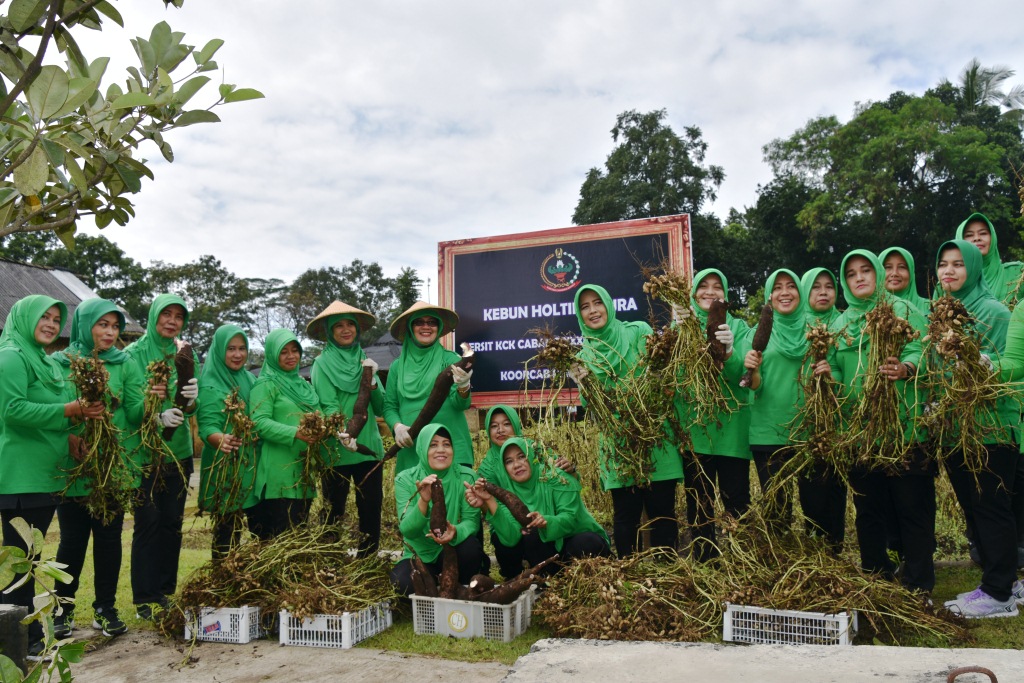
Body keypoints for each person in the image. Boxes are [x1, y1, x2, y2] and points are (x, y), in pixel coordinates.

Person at [813, 250, 935, 595]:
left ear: (878, 275)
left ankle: (918, 583)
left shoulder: (903, 311)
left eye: (866, 271)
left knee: (912, 506)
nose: (859, 278)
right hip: (860, 429)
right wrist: (829, 375)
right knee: (868, 508)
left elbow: (920, 350)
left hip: (905, 427)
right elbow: (835, 364)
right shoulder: (839, 323)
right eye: (851, 274)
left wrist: (906, 368)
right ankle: (876, 577)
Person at [0, 295, 104, 656]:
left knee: (29, 561)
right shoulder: (12, 356)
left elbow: (52, 413)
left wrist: (73, 430)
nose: (50, 323)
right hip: (20, 477)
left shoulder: (44, 361)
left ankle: (26, 639)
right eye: (43, 316)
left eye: (56, 318)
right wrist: (68, 409)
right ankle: (17, 643)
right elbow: (12, 410)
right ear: (25, 317)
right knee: (19, 564)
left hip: (45, 475)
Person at [935, 240, 1021, 618]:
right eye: (943, 264)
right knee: (973, 508)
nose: (949, 271)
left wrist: (981, 362)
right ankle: (999, 581)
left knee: (991, 507)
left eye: (958, 264)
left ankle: (999, 594)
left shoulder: (995, 311)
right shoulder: (941, 315)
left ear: (974, 267)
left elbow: (1012, 365)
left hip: (991, 428)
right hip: (955, 428)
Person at [52, 299, 142, 638]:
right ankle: (62, 609)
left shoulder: (125, 363)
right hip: (73, 465)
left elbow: (133, 411)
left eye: (115, 326)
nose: (109, 332)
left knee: (109, 538)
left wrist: (154, 403)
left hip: (111, 466)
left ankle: (105, 607)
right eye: (102, 324)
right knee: (72, 539)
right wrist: (69, 437)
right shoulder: (60, 363)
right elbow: (52, 407)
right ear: (85, 325)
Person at [572, 284, 682, 557]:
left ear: (609, 304)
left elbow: (658, 370)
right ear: (579, 314)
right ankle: (628, 578)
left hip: (655, 436)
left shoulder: (638, 331)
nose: (593, 311)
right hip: (619, 444)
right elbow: (591, 406)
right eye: (585, 307)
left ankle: (667, 580)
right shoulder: (584, 356)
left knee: (662, 515)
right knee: (625, 518)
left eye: (597, 303)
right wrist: (584, 386)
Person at [124, 294, 200, 620]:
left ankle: (166, 592)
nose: (171, 321)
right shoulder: (133, 355)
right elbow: (129, 409)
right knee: (148, 523)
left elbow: (190, 405)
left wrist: (192, 400)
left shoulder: (181, 353)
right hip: (145, 454)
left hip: (179, 453)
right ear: (154, 315)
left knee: (171, 524)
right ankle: (145, 596)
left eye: (178, 316)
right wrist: (153, 414)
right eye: (166, 314)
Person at [957, 213, 1024, 568]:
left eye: (983, 234)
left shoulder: (1012, 279)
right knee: (983, 495)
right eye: (969, 235)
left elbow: (1010, 356)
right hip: (969, 410)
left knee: (1005, 488)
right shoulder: (947, 295)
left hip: (1005, 398)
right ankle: (993, 560)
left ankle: (1006, 570)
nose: (978, 239)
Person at [677, 269, 750, 562]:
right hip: (696, 431)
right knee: (700, 507)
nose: (710, 292)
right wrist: (682, 337)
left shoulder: (740, 327)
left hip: (732, 429)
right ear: (694, 294)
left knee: (738, 504)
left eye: (717, 286)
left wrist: (729, 351)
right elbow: (676, 379)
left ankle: (742, 563)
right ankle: (707, 564)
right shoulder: (681, 327)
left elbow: (744, 376)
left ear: (726, 294)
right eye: (703, 286)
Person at [465, 438, 610, 574]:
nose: (516, 465)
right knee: (531, 537)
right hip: (551, 551)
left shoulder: (556, 476)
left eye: (522, 456)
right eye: (509, 461)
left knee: (584, 543)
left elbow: (570, 519)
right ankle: (551, 580)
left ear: (533, 456)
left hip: (574, 537)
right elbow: (511, 538)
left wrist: (546, 521)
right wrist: (489, 501)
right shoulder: (508, 491)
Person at [307, 302, 384, 555]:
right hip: (336, 448)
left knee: (371, 507)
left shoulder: (366, 360)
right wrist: (344, 433)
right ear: (329, 332)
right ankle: (331, 560)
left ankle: (368, 560)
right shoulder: (321, 363)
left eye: (350, 323)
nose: (345, 329)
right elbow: (328, 405)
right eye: (338, 325)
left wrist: (372, 382)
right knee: (333, 510)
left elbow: (381, 406)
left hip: (368, 448)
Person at [744, 269, 813, 534]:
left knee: (815, 504)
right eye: (778, 287)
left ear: (800, 292)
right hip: (769, 431)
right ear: (769, 296)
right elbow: (753, 384)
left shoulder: (815, 330)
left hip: (808, 430)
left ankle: (819, 559)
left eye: (791, 286)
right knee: (777, 507)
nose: (785, 293)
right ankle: (780, 562)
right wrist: (754, 370)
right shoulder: (757, 333)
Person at [477, 405, 577, 578]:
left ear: (516, 425)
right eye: (494, 426)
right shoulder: (487, 466)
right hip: (506, 517)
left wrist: (571, 470)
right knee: (505, 539)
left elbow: (561, 478)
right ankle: (513, 577)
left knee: (541, 534)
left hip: (544, 514)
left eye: (506, 424)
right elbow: (495, 504)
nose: (500, 430)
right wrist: (518, 521)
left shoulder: (535, 449)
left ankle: (550, 575)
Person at [389, 423, 484, 596]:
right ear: (422, 448)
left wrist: (455, 532)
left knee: (470, 548)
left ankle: (458, 588)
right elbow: (407, 530)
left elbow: (472, 523)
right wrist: (423, 501)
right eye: (433, 445)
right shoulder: (405, 479)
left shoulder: (466, 476)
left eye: (446, 444)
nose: (441, 450)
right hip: (420, 555)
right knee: (400, 583)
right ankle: (436, 584)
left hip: (452, 550)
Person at [383, 301, 473, 474]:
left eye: (432, 322)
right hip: (413, 449)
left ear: (438, 328)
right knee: (417, 500)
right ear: (411, 327)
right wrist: (398, 427)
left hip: (450, 449)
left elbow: (461, 404)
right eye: (419, 322)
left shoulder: (450, 359)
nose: (426, 327)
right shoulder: (396, 367)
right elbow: (390, 406)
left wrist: (463, 385)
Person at [197, 324, 260, 559]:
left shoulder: (251, 380)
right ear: (219, 351)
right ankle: (223, 581)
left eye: (242, 348)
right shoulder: (210, 383)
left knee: (260, 531)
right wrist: (218, 438)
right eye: (231, 348)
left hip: (252, 463)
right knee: (227, 534)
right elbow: (206, 425)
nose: (237, 354)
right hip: (225, 464)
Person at [249, 329, 318, 538]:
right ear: (272, 355)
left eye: (295, 350)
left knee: (299, 538)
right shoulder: (266, 384)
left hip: (303, 471)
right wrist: (295, 433)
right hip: (278, 474)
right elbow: (258, 423)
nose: (291, 356)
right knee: (280, 538)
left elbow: (318, 415)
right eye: (284, 352)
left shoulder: (304, 386)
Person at [797, 267, 848, 549]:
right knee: (811, 489)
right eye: (816, 287)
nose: (824, 292)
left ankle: (834, 547)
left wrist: (833, 377)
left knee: (835, 489)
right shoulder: (796, 325)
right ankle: (814, 544)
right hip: (806, 421)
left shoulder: (844, 325)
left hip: (838, 421)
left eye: (829, 286)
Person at [880, 247, 930, 315]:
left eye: (902, 267)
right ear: (878, 272)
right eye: (888, 267)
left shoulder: (930, 307)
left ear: (911, 273)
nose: (894, 273)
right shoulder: (868, 312)